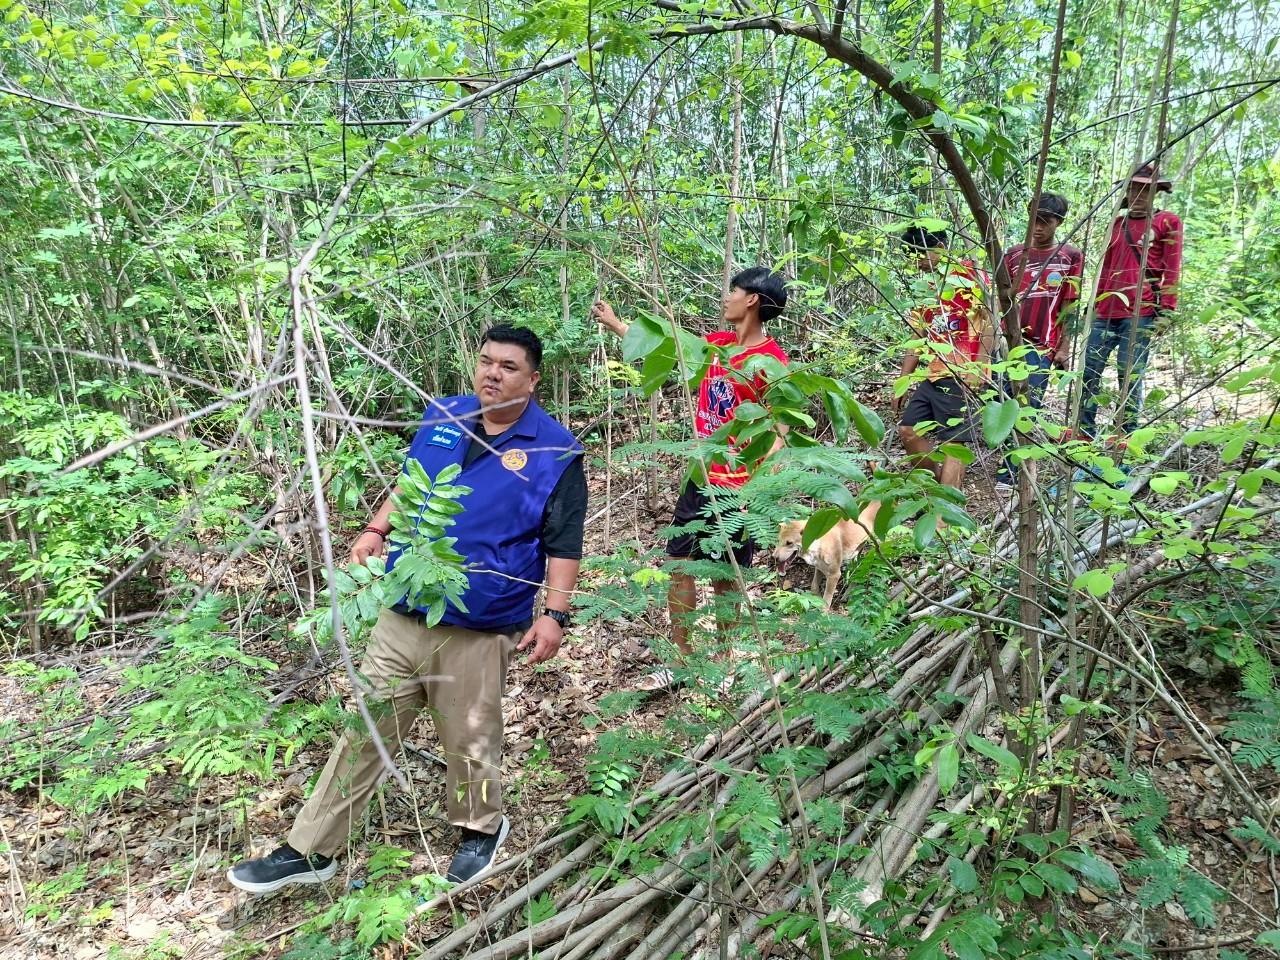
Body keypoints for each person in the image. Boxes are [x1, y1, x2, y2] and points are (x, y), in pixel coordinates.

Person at [227, 325, 586, 893]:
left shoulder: (555, 450)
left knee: (468, 737)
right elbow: (410, 484)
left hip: (479, 620)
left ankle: (481, 829)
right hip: (404, 604)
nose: (493, 373)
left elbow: (563, 542)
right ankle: (312, 850)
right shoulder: (444, 415)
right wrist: (377, 528)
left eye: (509, 366)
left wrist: (555, 614)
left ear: (533, 379)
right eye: (486, 361)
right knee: (366, 729)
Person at [592, 267, 789, 692]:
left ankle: (724, 664)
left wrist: (756, 490)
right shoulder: (717, 345)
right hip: (700, 478)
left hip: (738, 486)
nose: (726, 297)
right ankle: (681, 661)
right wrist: (617, 325)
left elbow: (779, 430)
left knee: (725, 575)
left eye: (734, 291)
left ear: (752, 300)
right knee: (678, 564)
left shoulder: (771, 360)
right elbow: (670, 349)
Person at [1080, 162, 1182, 440]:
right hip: (1106, 311)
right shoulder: (1117, 224)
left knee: (1129, 375)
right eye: (1133, 189)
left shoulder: (1167, 222)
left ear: (1155, 193)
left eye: (1145, 190)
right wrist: (1094, 304)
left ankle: (1125, 437)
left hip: (1141, 311)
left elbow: (1172, 268)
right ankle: (1084, 432)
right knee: (1089, 372)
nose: (1138, 195)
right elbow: (1106, 267)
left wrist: (1167, 310)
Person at [892, 226, 993, 491]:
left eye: (920, 254)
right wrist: (902, 381)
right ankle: (938, 490)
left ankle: (947, 507)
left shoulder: (969, 274)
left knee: (954, 441)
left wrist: (980, 366)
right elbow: (918, 335)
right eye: (912, 256)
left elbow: (989, 320)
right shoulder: (925, 287)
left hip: (963, 371)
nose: (916, 262)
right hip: (935, 372)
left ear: (940, 247)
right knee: (909, 430)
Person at [996, 193, 1084, 486]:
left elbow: (1070, 305)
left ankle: (1011, 473)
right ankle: (1005, 459)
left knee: (1027, 404)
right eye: (1034, 220)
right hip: (1009, 340)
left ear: (1059, 222)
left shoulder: (1070, 257)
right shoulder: (1012, 255)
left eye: (1045, 221)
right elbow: (1000, 299)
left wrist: (1064, 346)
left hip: (1042, 344)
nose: (1037, 227)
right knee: (1002, 401)